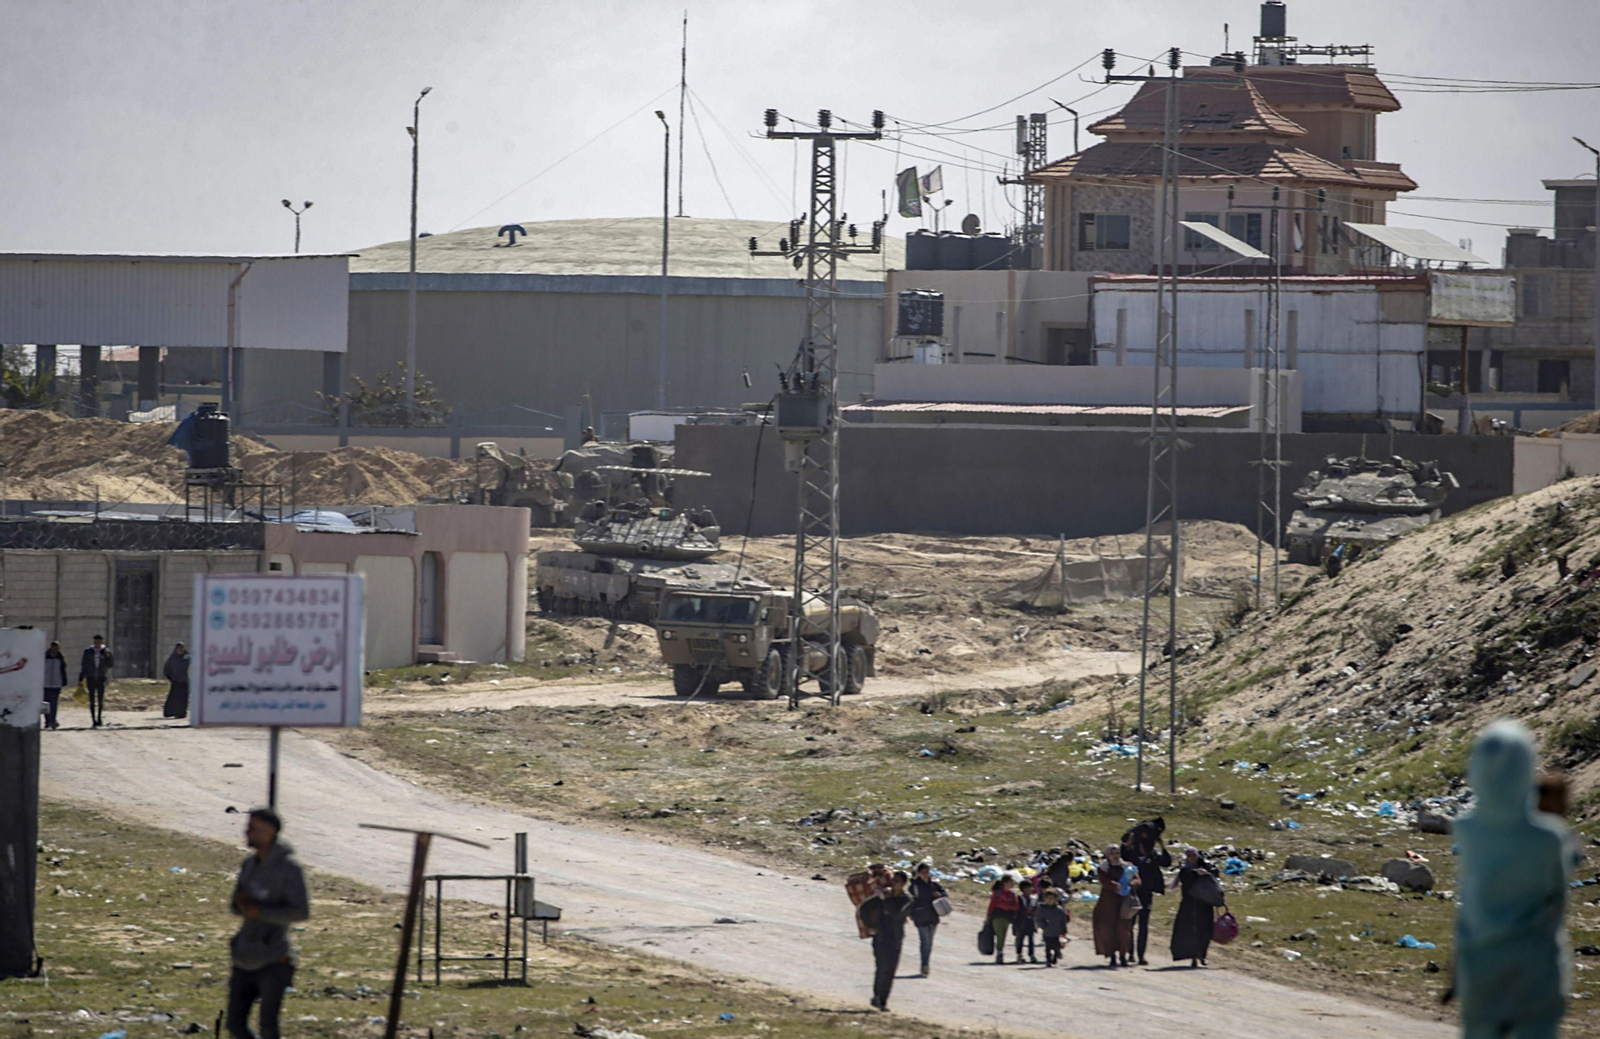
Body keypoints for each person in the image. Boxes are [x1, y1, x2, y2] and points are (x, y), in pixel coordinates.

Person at [1456, 721, 1571, 1039]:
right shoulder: (1548, 836)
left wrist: (1458, 968)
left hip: (1481, 964)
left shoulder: (1468, 830)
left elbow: (1467, 905)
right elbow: (1558, 900)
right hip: (1536, 966)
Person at [227, 808, 310, 1039]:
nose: (247, 832)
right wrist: (241, 904)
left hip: (274, 959)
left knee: (268, 1026)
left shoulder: (289, 868)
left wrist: (261, 911)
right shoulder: (249, 865)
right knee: (235, 1025)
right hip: (244, 956)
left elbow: (301, 911)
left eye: (253, 828)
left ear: (270, 832)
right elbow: (236, 905)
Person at [859, 869, 912, 1012]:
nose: (894, 884)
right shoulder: (882, 896)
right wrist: (871, 926)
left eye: (897, 882)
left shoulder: (906, 899)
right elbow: (864, 908)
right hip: (881, 937)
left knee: (891, 970)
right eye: (893, 880)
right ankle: (876, 996)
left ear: (903, 884)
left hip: (895, 939)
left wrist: (886, 899)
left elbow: (897, 914)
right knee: (881, 967)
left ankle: (883, 1001)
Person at [1122, 824, 1172, 965]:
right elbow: (1122, 852)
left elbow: (1167, 862)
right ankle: (1130, 953)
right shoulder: (1131, 854)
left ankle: (1141, 955)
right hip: (1132, 893)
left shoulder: (1153, 856)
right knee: (1130, 924)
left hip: (1146, 894)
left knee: (1143, 925)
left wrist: (1162, 845)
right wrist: (1130, 841)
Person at [1170, 847, 1217, 967]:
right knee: (1189, 931)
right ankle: (1193, 956)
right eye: (1189, 856)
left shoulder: (1206, 865)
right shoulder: (1185, 870)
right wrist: (1195, 873)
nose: (1192, 858)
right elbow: (1185, 878)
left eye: (1193, 855)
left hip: (1204, 904)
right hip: (1189, 905)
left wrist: (1206, 872)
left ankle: (1202, 955)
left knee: (1205, 930)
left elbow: (1214, 876)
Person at [1093, 845, 1138, 966]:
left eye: (1117, 853)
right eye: (1113, 853)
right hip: (1108, 902)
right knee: (1108, 929)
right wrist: (1115, 885)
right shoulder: (1104, 867)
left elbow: (1137, 880)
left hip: (1124, 902)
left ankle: (1123, 955)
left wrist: (1131, 884)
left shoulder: (1127, 866)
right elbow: (1104, 881)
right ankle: (1111, 955)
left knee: (1123, 929)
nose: (1115, 856)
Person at [907, 862, 947, 977]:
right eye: (922, 872)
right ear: (918, 873)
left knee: (929, 943)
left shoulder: (934, 885)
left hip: (933, 917)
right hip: (920, 918)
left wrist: (940, 894)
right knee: (925, 942)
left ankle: (925, 964)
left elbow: (945, 894)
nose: (925, 874)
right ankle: (924, 965)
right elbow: (909, 902)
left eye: (927, 872)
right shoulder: (914, 887)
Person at [78, 635, 113, 728]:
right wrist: (81, 678)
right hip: (91, 677)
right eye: (95, 643)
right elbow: (84, 665)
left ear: (102, 642)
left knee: (100, 699)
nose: (97, 645)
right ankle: (93, 719)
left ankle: (99, 717)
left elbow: (110, 665)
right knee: (92, 699)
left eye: (98, 643)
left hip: (101, 677)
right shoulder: (88, 651)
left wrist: (108, 657)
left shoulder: (106, 651)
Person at [985, 875, 1020, 965]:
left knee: (1003, 935)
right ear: (1006, 882)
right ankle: (999, 952)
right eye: (1011, 882)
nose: (1012, 884)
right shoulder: (998, 893)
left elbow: (1016, 906)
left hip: (1007, 918)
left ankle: (1000, 951)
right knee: (1000, 935)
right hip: (997, 917)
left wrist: (1006, 906)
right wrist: (988, 917)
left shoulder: (1013, 894)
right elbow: (992, 905)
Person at [1034, 887, 1070, 967]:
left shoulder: (1059, 910)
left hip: (1056, 932)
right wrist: (1043, 926)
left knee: (1056, 946)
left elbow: (1063, 920)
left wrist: (1064, 929)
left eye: (1052, 898)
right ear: (1045, 899)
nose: (1050, 900)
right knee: (1048, 947)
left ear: (1056, 899)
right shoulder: (1042, 909)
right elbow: (1038, 918)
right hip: (1047, 932)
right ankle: (1048, 960)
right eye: (1048, 898)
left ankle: (1056, 955)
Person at [1012, 875, 1038, 964]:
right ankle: (1019, 954)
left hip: (1030, 921)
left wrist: (1033, 911)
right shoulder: (1018, 898)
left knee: (1031, 939)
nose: (1031, 890)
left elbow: (1036, 910)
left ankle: (1031, 955)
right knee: (1020, 939)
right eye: (1028, 888)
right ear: (1023, 889)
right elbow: (1016, 909)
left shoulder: (1034, 899)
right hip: (1020, 921)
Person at [41, 641, 67, 730]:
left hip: (56, 683)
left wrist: (64, 681)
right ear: (51, 647)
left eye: (57, 648)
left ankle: (53, 720)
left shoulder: (60, 658)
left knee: (54, 703)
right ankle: (47, 721)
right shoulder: (44, 657)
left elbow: (63, 670)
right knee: (46, 703)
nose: (56, 649)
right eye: (55, 647)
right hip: (45, 683)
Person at [162, 642, 191, 719]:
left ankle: (181, 713)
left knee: (183, 698)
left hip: (184, 681)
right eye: (179, 648)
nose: (180, 650)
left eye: (181, 648)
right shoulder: (173, 658)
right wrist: (170, 677)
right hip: (175, 681)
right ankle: (170, 712)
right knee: (174, 698)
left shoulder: (187, 658)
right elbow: (167, 668)